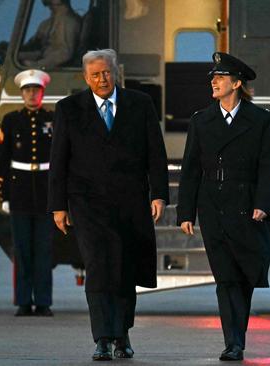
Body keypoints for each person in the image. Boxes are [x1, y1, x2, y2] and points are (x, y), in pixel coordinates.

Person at [47, 49, 169, 361]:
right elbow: (58, 161)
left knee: (125, 269)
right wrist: (57, 206)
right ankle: (102, 337)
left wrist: (159, 194)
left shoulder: (140, 104)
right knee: (99, 269)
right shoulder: (69, 109)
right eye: (95, 74)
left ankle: (122, 334)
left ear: (115, 73)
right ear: (85, 78)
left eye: (106, 73)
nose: (102, 79)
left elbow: (156, 153)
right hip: (87, 204)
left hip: (131, 202)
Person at [177, 52, 270, 361]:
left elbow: (268, 166)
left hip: (246, 208)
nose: (214, 82)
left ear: (236, 83)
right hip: (213, 207)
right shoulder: (201, 120)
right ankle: (232, 342)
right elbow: (191, 168)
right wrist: (186, 212)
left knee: (244, 275)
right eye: (213, 78)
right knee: (225, 278)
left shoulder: (261, 119)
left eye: (220, 78)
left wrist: (263, 203)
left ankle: (238, 335)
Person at [0, 69, 55, 317]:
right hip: (19, 192)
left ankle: (43, 302)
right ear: (22, 94)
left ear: (42, 93)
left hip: (45, 192)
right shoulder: (10, 122)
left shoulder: (53, 121)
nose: (32, 94)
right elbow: (3, 161)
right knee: (22, 250)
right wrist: (5, 196)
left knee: (44, 250)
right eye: (28, 90)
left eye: (36, 90)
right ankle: (23, 300)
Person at [19, 0, 82, 69]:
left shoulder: (69, 22)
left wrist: (37, 64)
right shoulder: (45, 25)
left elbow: (64, 53)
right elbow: (35, 48)